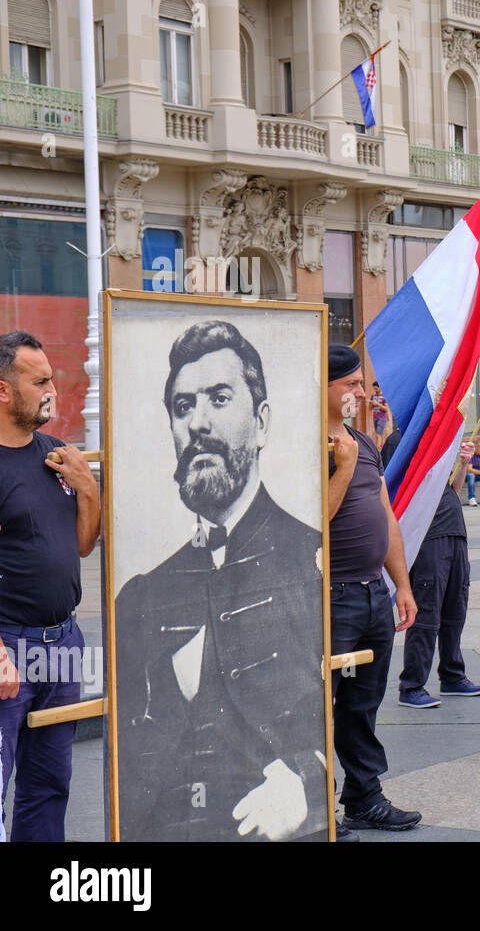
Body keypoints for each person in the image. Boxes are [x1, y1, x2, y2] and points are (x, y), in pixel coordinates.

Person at [114, 321, 327, 841]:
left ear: (261, 423)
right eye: (183, 407)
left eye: (219, 398)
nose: (198, 423)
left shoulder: (313, 559)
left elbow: (345, 703)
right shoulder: (142, 595)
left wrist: (309, 786)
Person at [0, 331, 99, 842]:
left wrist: (88, 489)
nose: (51, 391)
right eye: (39, 382)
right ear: (3, 391)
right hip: (8, 645)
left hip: (62, 641)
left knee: (49, 782)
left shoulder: (58, 453)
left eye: (52, 380)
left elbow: (84, 545)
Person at [326, 345, 422, 834]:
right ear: (322, 388)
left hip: (371, 594)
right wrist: (340, 467)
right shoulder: (308, 444)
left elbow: (386, 515)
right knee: (320, 704)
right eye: (351, 385)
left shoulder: (362, 442)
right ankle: (315, 803)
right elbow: (310, 521)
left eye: (362, 384)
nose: (362, 393)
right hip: (331, 598)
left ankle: (363, 796)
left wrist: (400, 585)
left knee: (363, 704)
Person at [393, 440, 480, 709]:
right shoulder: (404, 439)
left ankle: (452, 675)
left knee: (455, 609)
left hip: (454, 532)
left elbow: (452, 489)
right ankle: (411, 685)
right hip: (428, 537)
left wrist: (463, 463)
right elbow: (397, 491)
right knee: (426, 613)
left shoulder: (438, 436)